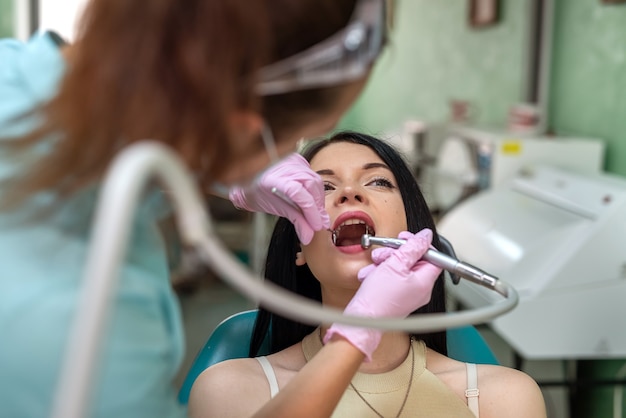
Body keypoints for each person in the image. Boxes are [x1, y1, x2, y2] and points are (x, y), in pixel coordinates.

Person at [0, 1, 428, 417]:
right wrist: (357, 334)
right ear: (240, 130)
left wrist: (218, 166)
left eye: (377, 180)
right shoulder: (95, 327)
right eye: (307, 144)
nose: (349, 194)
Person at [188, 131, 547, 418]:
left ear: (415, 233)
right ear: (299, 248)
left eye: (377, 182)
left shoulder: (504, 398)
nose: (348, 193)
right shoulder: (230, 389)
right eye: (323, 187)